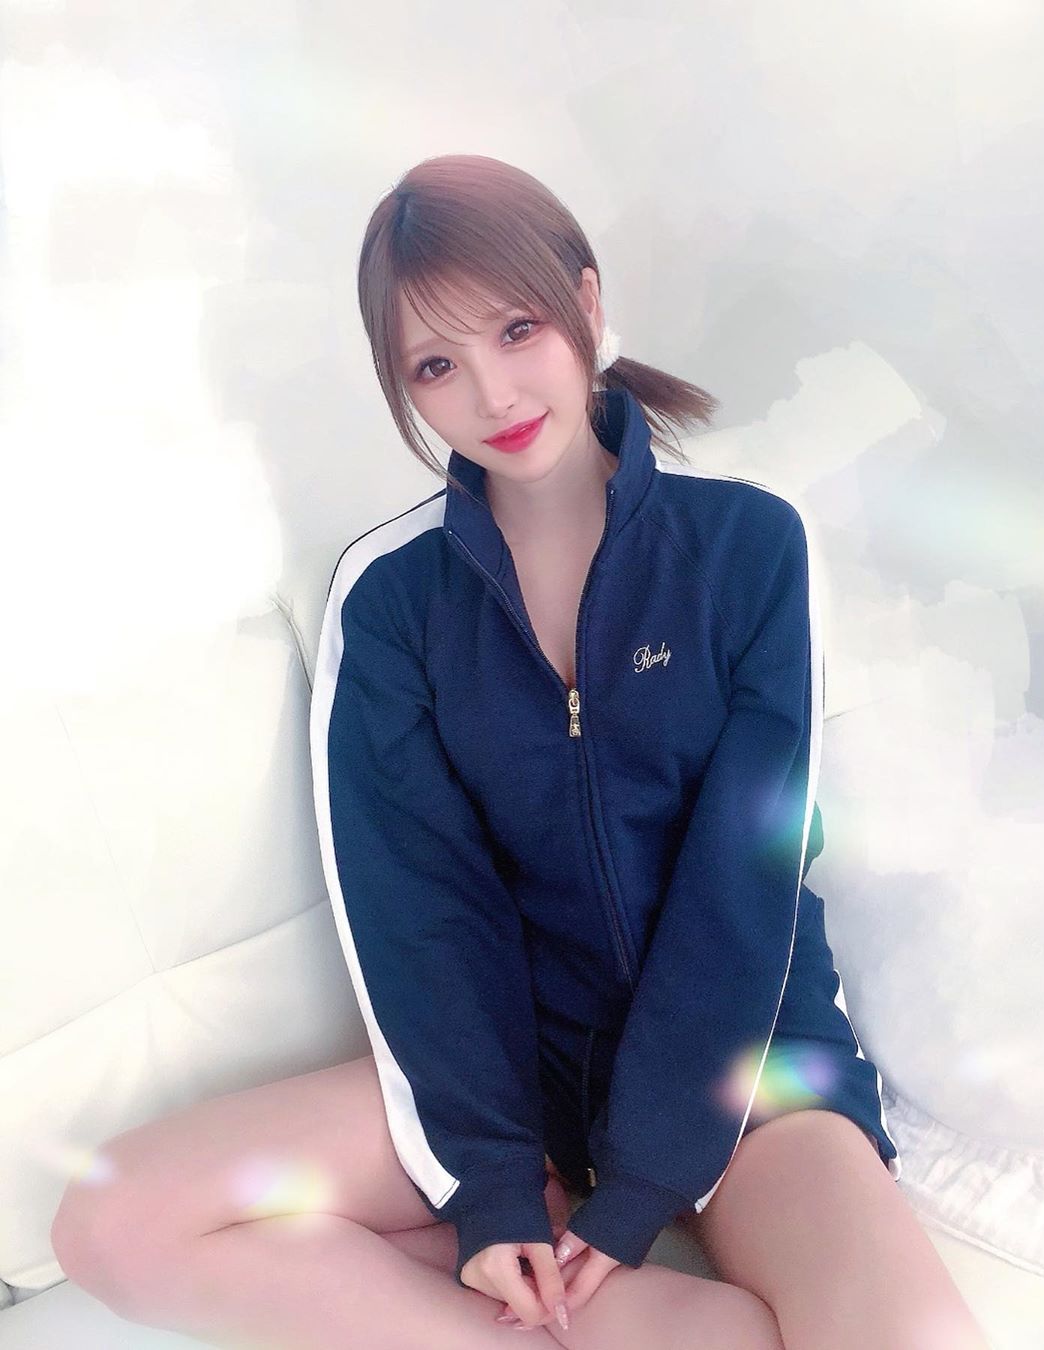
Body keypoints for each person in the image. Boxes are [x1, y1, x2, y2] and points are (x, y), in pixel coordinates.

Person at [50, 154, 990, 1350]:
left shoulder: (746, 547)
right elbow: (420, 909)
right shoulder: (392, 604)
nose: (492, 391)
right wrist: (492, 1188)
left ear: (586, 302)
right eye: (435, 365)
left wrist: (641, 1186)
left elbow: (742, 885)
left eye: (517, 328)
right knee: (116, 1220)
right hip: (520, 1082)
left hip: (746, 1071)